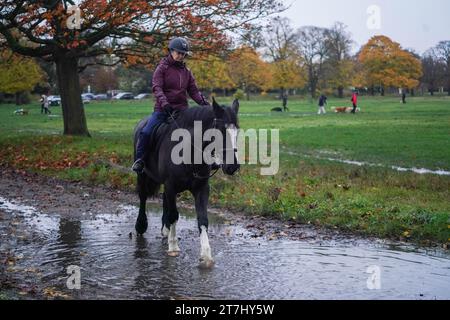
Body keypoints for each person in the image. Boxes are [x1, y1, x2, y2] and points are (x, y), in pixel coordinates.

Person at [132, 37, 210, 174]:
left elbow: (193, 91)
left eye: (183, 54)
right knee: (146, 132)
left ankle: (205, 160)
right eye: (178, 53)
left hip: (182, 110)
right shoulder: (161, 68)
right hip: (163, 110)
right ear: (171, 51)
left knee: (200, 131)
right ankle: (140, 161)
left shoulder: (187, 72)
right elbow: (157, 88)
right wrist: (165, 103)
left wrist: (205, 104)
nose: (181, 56)